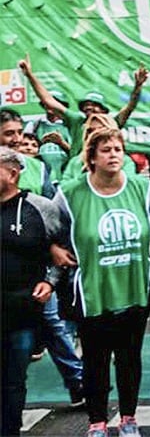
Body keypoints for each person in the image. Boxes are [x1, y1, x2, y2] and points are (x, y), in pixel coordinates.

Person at [53, 127, 150, 437]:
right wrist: (54, 248)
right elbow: (47, 226)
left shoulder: (142, 187)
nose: (114, 155)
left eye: (117, 149)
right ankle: (97, 421)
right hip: (93, 291)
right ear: (92, 157)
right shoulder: (70, 193)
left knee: (129, 358)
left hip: (133, 286)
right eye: (106, 150)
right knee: (95, 361)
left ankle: (128, 418)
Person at [1, 146, 62, 437]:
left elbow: (63, 250)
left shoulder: (40, 207)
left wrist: (50, 281)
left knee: (14, 379)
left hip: (22, 310)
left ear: (12, 174)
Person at [19, 55, 149, 163]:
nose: (89, 107)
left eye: (95, 105)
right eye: (86, 105)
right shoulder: (77, 120)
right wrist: (30, 75)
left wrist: (137, 87)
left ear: (104, 111)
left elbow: (130, 107)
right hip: (77, 173)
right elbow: (49, 101)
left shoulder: (112, 123)